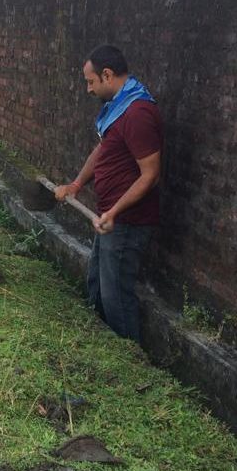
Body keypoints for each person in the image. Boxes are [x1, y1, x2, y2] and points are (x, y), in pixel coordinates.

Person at [54, 45, 162, 344]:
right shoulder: (118, 108)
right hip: (109, 217)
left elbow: (150, 174)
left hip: (127, 222)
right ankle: (103, 348)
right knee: (98, 286)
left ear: (107, 74)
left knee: (117, 296)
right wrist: (76, 185)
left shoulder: (138, 113)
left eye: (90, 82)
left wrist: (114, 212)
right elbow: (102, 151)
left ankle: (129, 360)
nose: (88, 89)